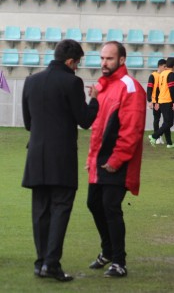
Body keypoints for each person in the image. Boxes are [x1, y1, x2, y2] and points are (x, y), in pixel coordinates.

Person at [22, 39, 99, 282]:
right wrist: (95, 99)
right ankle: (51, 264)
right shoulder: (72, 82)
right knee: (60, 209)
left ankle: (41, 262)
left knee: (40, 211)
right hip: (62, 157)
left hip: (36, 155)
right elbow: (85, 120)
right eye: (77, 63)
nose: (77, 68)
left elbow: (28, 123)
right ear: (70, 61)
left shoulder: (30, 81)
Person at [86, 41, 146, 278]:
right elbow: (98, 128)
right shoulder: (104, 86)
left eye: (109, 59)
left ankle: (119, 261)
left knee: (111, 206)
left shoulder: (130, 87)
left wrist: (117, 159)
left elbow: (132, 129)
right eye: (102, 58)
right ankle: (108, 251)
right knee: (93, 204)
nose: (103, 63)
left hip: (119, 161)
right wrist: (92, 158)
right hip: (100, 161)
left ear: (122, 60)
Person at [148, 57, 174, 148]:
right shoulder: (170, 74)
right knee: (168, 122)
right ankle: (154, 136)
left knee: (166, 122)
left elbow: (159, 88)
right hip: (166, 101)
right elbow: (172, 89)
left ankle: (169, 143)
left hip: (161, 100)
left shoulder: (162, 74)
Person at [147, 59, 166, 144]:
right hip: (155, 101)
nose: (165, 68)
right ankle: (157, 138)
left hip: (165, 101)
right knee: (157, 119)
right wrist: (150, 100)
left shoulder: (165, 75)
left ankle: (159, 136)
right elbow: (149, 89)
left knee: (167, 121)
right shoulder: (153, 75)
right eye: (164, 66)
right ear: (160, 66)